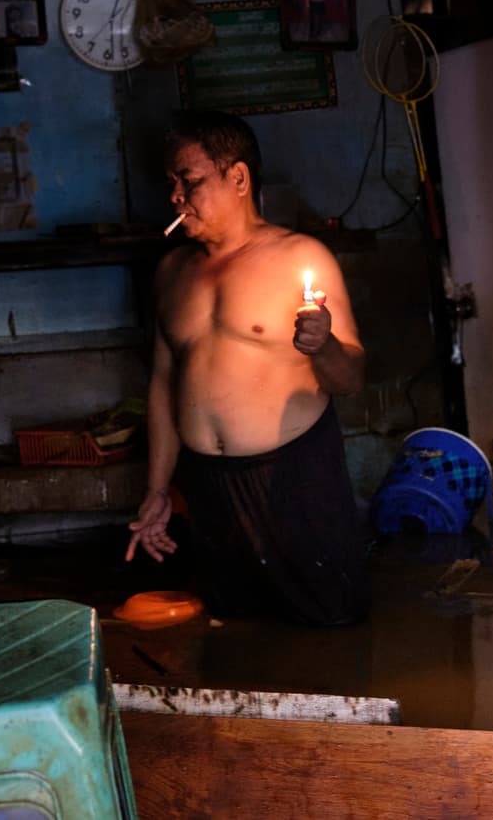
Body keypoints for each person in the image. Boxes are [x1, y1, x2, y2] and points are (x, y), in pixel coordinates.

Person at [125, 110, 370, 626]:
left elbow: (351, 380)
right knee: (234, 627)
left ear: (237, 178)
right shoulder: (172, 273)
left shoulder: (300, 257)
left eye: (188, 181)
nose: (175, 196)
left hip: (294, 478)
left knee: (324, 627)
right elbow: (164, 384)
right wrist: (158, 489)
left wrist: (322, 345)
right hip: (210, 486)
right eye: (170, 183)